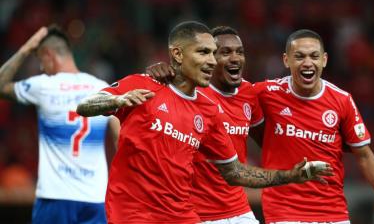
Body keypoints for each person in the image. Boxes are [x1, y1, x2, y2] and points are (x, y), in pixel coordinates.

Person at [76, 21, 332, 224]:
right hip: (133, 213)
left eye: (212, 53)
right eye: (203, 52)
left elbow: (235, 172)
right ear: (177, 54)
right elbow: (85, 106)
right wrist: (117, 102)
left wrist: (290, 175)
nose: (212, 61)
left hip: (181, 215)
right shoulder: (143, 85)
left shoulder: (209, 110)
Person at [253, 29, 374, 224]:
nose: (307, 62)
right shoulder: (266, 93)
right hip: (285, 211)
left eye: (314, 56)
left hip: (334, 212)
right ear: (286, 60)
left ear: (324, 60)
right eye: (299, 56)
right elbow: (228, 103)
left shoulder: (341, 100)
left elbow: (365, 156)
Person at [0, 25, 120, 224]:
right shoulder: (103, 89)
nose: (41, 68)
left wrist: (26, 48)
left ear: (49, 55)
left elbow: (1, 86)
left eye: (40, 61)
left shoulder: (43, 85)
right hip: (95, 198)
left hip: (55, 196)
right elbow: (120, 139)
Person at [146, 25, 264, 223]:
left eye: (240, 52)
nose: (235, 58)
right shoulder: (186, 91)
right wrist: (158, 72)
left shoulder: (249, 94)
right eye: (224, 52)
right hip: (196, 213)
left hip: (239, 210)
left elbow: (268, 142)